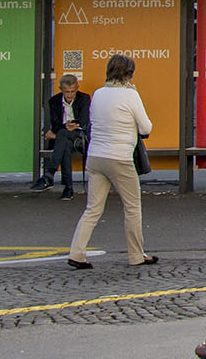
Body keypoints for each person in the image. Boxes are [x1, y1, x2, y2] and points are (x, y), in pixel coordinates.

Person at [67, 54, 156, 269]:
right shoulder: (131, 96)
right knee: (132, 207)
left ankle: (76, 253)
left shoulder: (98, 94)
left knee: (93, 208)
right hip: (120, 158)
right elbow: (146, 128)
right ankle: (136, 255)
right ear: (129, 74)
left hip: (96, 157)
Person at [31, 74, 90, 200]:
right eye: (67, 92)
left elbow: (84, 121)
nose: (70, 95)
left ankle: (50, 174)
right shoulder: (54, 101)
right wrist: (65, 127)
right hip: (64, 137)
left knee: (62, 136)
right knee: (65, 144)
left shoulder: (84, 98)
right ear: (60, 89)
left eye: (73, 91)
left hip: (79, 137)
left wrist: (66, 127)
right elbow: (55, 123)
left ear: (77, 88)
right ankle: (68, 189)